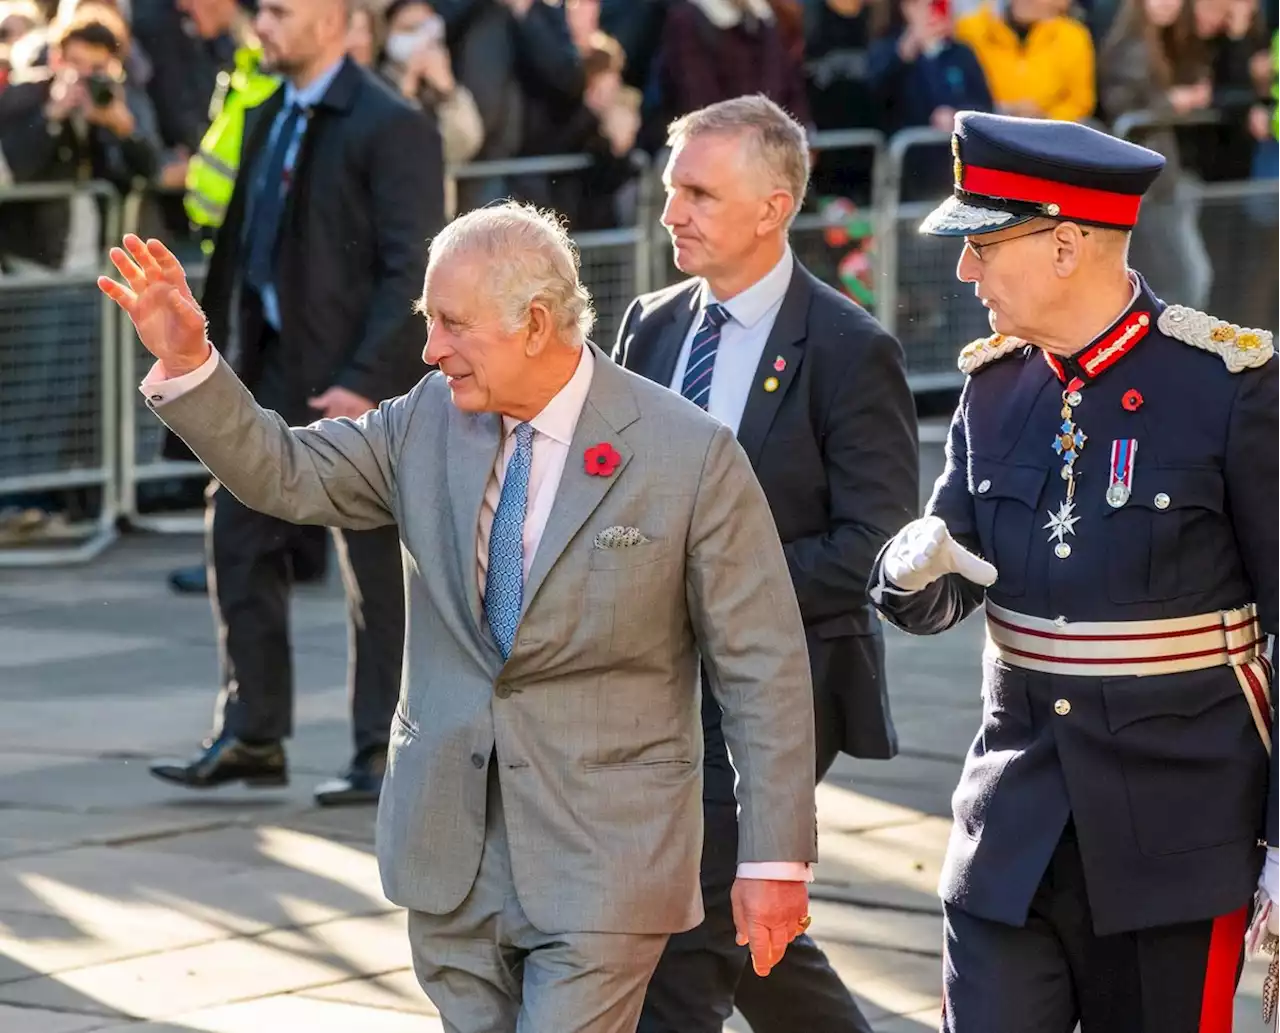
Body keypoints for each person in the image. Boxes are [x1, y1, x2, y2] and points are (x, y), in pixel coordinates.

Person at [99, 201, 819, 1032]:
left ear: (535, 324)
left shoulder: (687, 453)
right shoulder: (425, 418)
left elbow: (761, 665)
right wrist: (191, 363)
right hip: (450, 852)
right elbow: (285, 473)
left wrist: (774, 858)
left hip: (605, 860)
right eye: (427, 320)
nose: (431, 348)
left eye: (452, 324)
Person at [868, 109, 1280, 1031]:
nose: (964, 269)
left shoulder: (1227, 385)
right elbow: (953, 582)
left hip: (1176, 842)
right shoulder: (994, 384)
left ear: (1065, 245)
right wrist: (906, 574)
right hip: (1009, 833)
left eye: (984, 244)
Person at [614, 94, 918, 1033]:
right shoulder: (651, 326)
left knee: (682, 917)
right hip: (659, 677)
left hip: (783, 679)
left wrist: (713, 590)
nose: (675, 213)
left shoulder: (849, 348)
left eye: (701, 193)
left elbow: (875, 546)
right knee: (737, 917)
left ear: (774, 206)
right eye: (672, 191)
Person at [143, 0, 445, 808]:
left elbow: (413, 268)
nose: (262, 25)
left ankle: (384, 749)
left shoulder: (392, 122)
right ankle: (252, 731)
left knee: (377, 570)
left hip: (358, 383)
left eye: (278, 10)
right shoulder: (269, 110)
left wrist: (366, 378)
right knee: (237, 533)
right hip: (272, 369)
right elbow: (248, 248)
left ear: (336, 18)